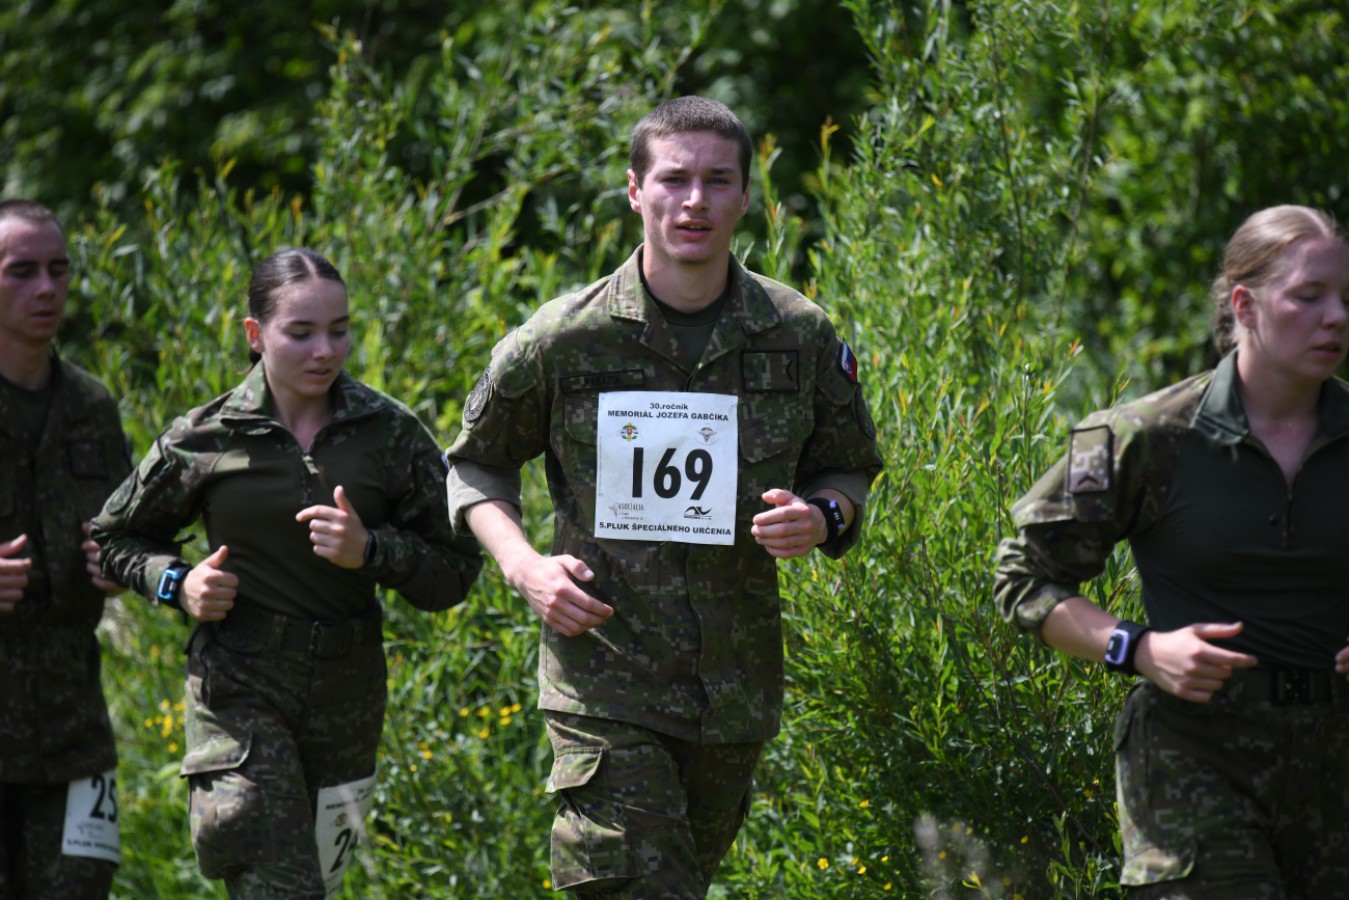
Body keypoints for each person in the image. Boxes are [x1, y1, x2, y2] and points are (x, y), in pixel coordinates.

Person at [445, 96, 884, 898]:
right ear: (634, 190)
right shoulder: (562, 339)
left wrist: (820, 518)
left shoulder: (797, 333)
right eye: (674, 179)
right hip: (603, 680)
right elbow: (475, 467)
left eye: (717, 181)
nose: (694, 202)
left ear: (745, 196)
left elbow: (848, 468)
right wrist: (524, 567)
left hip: (732, 691)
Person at [92, 248, 482, 898]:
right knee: (280, 883)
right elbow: (112, 538)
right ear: (255, 334)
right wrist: (178, 584)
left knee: (317, 882)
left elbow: (456, 571)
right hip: (239, 686)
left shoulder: (389, 434)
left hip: (348, 694)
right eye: (300, 332)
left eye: (339, 330)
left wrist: (371, 551)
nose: (324, 351)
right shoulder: (208, 436)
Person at [994, 205, 1349, 897]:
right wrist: (1138, 648)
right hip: (1195, 758)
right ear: (1244, 306)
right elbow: (1024, 577)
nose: (1335, 317)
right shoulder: (1146, 437)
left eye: (1344, 297)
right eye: (1308, 296)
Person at [0, 199, 131, 898]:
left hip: (72, 734)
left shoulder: (92, 405)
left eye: (58, 269)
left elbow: (127, 536)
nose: (46, 288)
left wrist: (119, 564)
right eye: (21, 271)